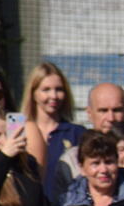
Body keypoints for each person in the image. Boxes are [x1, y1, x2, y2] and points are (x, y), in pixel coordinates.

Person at [53, 83, 124, 206]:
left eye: (117, 110)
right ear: (89, 113)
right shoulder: (71, 160)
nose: (111, 117)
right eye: (103, 110)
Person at [20, 61, 83, 190]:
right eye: (46, 90)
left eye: (59, 89)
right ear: (33, 93)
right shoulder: (19, 131)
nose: (53, 96)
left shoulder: (77, 133)